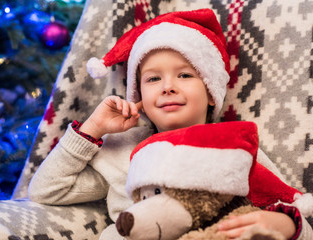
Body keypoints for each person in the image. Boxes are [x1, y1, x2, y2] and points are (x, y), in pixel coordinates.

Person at [28, 9, 313, 239]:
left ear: (211, 93)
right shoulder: (122, 150)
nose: (167, 87)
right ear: (138, 94)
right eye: (153, 79)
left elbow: (297, 217)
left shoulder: (233, 144)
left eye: (185, 75)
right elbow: (46, 190)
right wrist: (92, 129)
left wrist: (283, 224)